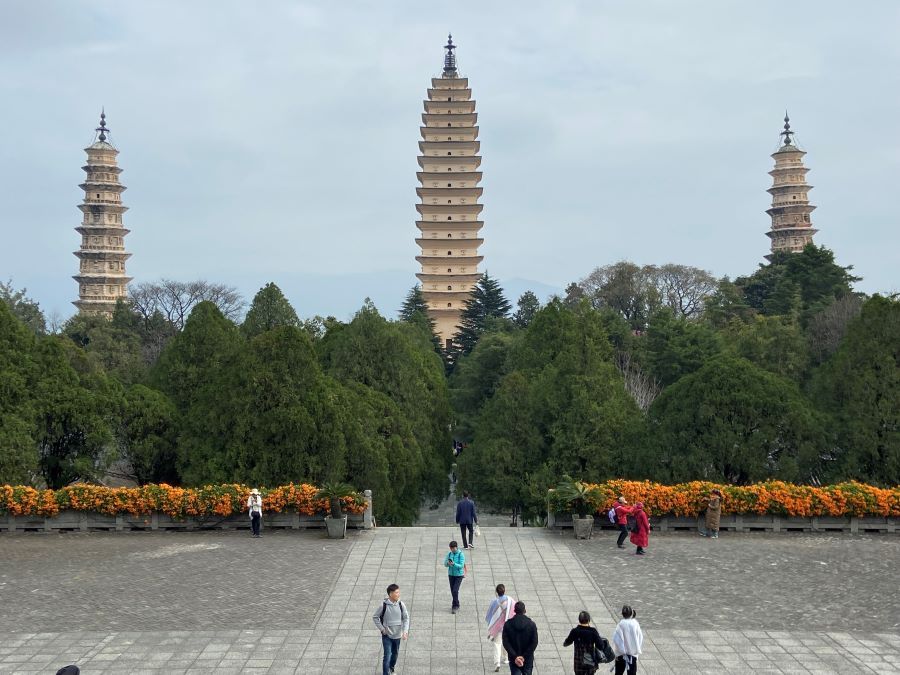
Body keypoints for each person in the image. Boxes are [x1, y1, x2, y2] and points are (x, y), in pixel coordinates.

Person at [372, 583, 410, 675]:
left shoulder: (401, 604)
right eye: (396, 592)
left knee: (395, 655)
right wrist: (382, 629)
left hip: (397, 635)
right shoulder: (383, 606)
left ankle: (391, 668)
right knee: (387, 656)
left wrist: (405, 631)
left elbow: (406, 618)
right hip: (387, 636)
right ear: (390, 594)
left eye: (398, 592)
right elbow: (375, 617)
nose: (398, 594)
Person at [563, 610, 608, 675]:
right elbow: (601, 646)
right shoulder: (593, 631)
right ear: (589, 620)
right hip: (590, 662)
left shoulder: (575, 631)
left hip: (578, 662)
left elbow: (567, 642)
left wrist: (565, 643)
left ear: (579, 620)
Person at [502, 600, 538, 675]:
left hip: (513, 658)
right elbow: (534, 642)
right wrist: (524, 656)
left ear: (514, 611)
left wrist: (515, 657)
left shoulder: (508, 624)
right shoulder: (531, 625)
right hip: (527, 658)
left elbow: (506, 642)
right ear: (525, 610)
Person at [485, 583, 514, 672]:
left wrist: (491, 623)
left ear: (496, 592)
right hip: (507, 626)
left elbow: (490, 614)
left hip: (497, 627)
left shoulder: (494, 601)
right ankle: (506, 658)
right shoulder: (510, 600)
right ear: (504, 591)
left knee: (497, 644)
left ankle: (497, 663)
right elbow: (514, 611)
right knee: (506, 642)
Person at [612, 605, 643, 675]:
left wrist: (616, 653)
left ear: (622, 614)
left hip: (621, 655)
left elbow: (616, 640)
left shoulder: (620, 625)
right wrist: (636, 650)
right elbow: (640, 637)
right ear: (631, 613)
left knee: (619, 673)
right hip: (632, 655)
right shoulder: (635, 624)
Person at [443, 540, 466, 613]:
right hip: (451, 575)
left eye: (453, 548)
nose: (452, 550)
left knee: (455, 590)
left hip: (459, 575)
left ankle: (455, 606)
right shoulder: (449, 554)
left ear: (456, 547)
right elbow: (445, 564)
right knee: (452, 591)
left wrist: (454, 564)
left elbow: (461, 566)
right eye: (451, 548)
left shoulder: (461, 554)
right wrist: (448, 563)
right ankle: (456, 603)